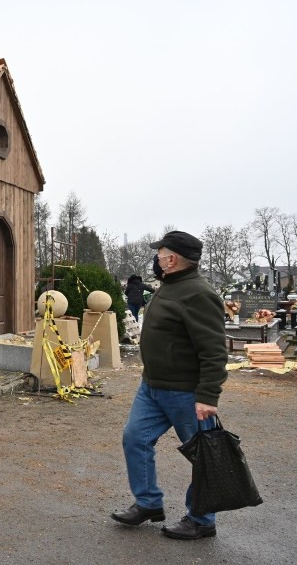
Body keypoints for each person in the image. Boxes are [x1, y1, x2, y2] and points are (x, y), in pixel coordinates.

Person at [111, 231, 228, 540]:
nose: (156, 259)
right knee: (135, 438)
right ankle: (148, 503)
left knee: (202, 455)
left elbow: (214, 351)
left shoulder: (198, 294)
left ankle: (202, 519)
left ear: (172, 259)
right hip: (152, 388)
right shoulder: (170, 286)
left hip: (186, 393)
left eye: (160, 253)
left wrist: (207, 396)